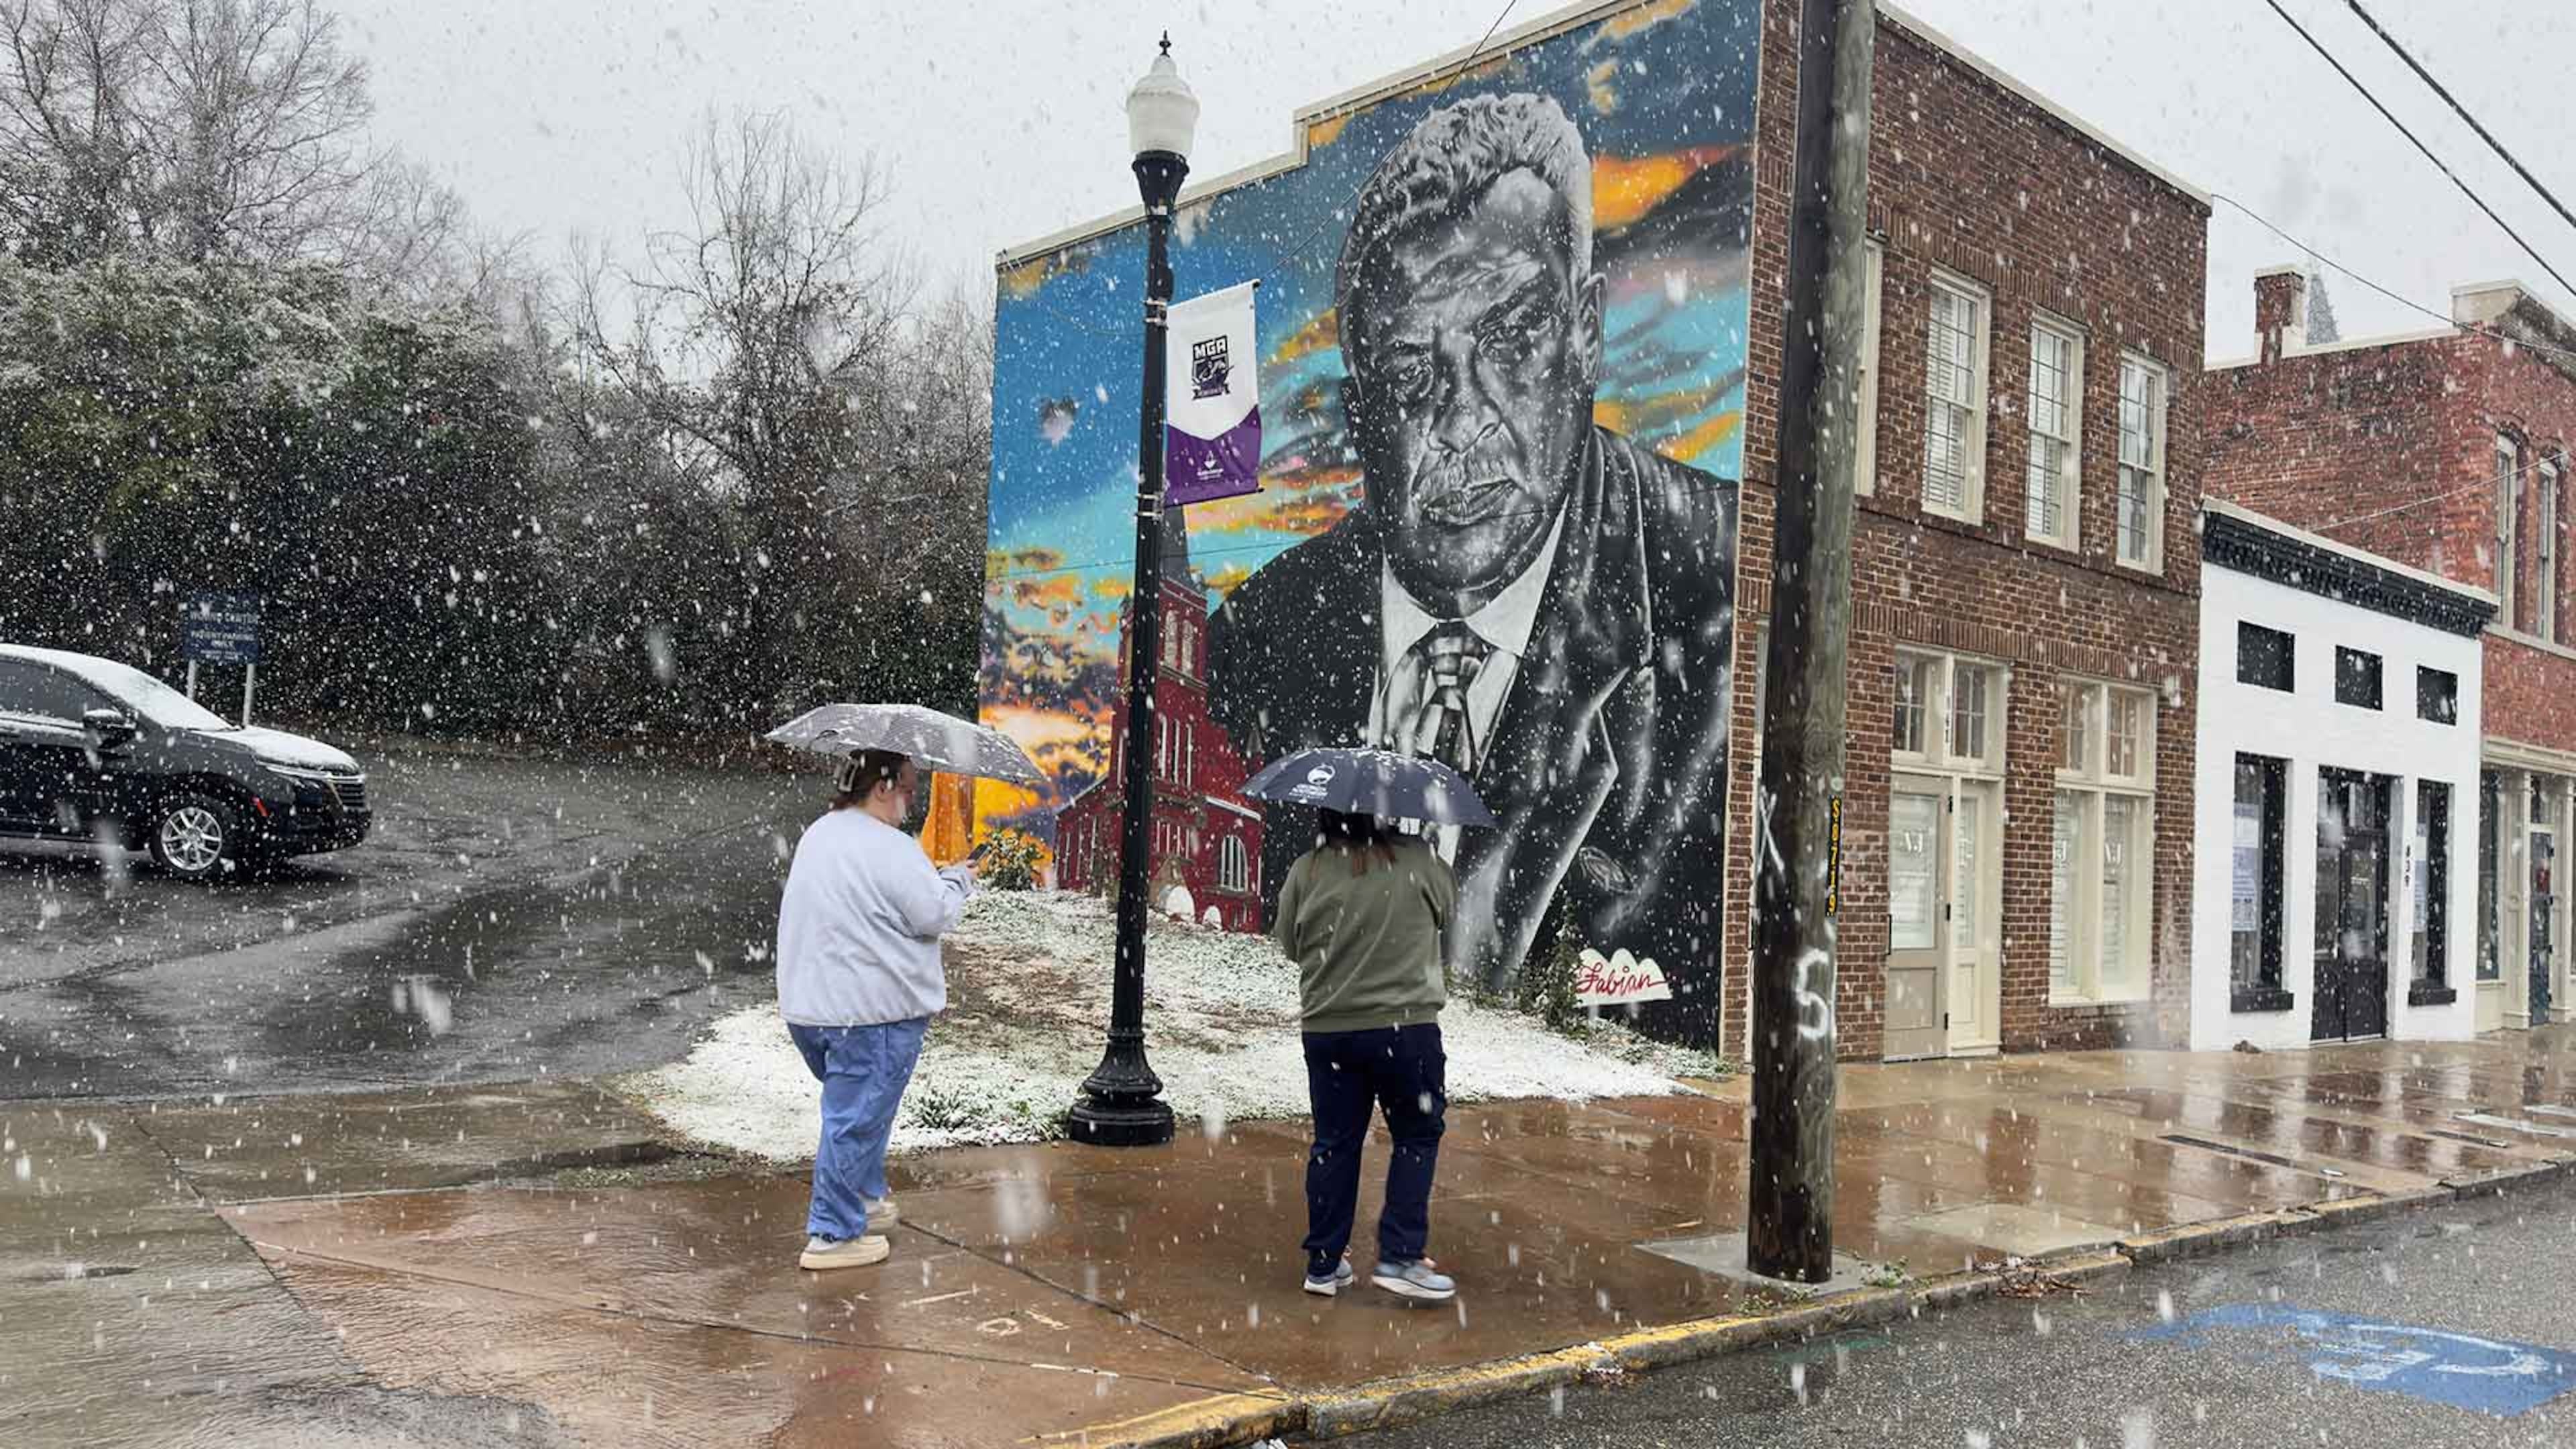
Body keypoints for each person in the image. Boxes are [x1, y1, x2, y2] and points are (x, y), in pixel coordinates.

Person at [1207, 91, 1739, 1033]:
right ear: (1361, 410)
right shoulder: (1251, 637)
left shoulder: (1725, 603)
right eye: (1413, 371)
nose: (1462, 422)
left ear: (1586, 331)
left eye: (1512, 338)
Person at [774, 749, 977, 1271]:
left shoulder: (821, 833)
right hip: (873, 1012)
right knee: (857, 1119)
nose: (912, 801)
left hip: (813, 1009)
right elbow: (933, 914)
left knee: (859, 1112)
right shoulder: (890, 847)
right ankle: (834, 1234)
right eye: (909, 788)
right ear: (882, 787)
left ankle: (862, 1199)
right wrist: (956, 879)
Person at [1272, 807, 1460, 1303]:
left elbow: (1290, 943)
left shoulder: (1307, 869)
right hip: (1407, 1031)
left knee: (1335, 1144)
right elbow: (1447, 916)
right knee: (1416, 1136)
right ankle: (1401, 1256)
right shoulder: (1420, 860)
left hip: (1330, 1030)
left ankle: (1324, 1264)